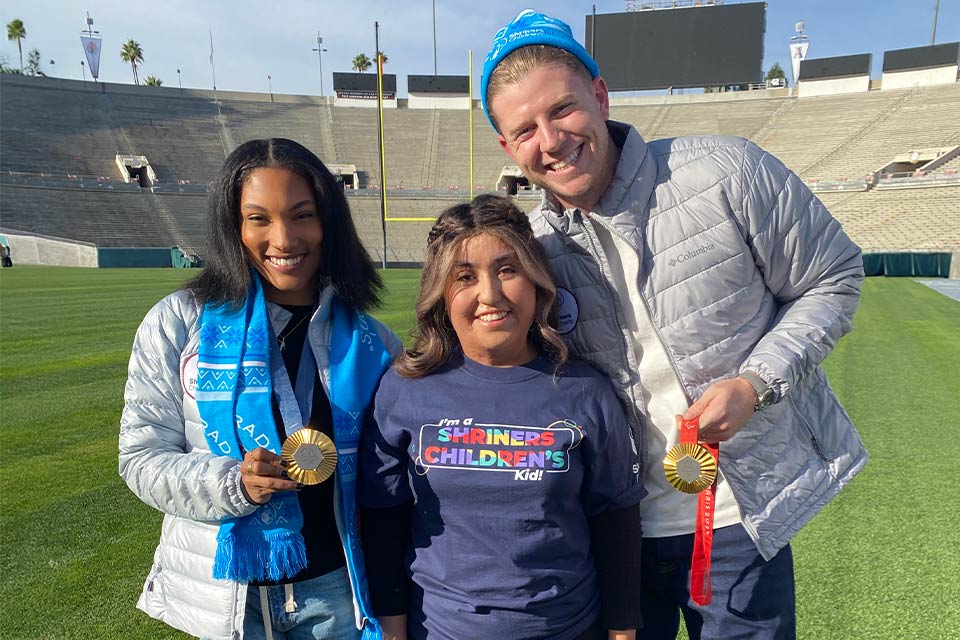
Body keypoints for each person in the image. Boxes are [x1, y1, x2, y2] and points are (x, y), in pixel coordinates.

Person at [480, 10, 867, 640]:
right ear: (508, 147)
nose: (550, 141)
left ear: (600, 97)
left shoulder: (724, 171)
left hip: (739, 519)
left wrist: (755, 383)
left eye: (563, 110)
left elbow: (835, 276)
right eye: (524, 130)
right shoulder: (535, 250)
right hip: (613, 534)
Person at [119, 138, 402, 640]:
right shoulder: (178, 324)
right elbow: (140, 459)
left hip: (336, 595)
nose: (284, 238)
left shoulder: (371, 342)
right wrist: (233, 484)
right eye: (259, 219)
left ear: (328, 221)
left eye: (302, 215)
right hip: (227, 597)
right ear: (233, 225)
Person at [357, 194, 647, 640]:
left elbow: (615, 517)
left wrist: (623, 632)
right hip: (442, 630)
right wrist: (393, 631)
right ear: (441, 291)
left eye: (507, 270)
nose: (489, 295)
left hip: (568, 628)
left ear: (535, 280)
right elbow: (384, 519)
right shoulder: (405, 388)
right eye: (465, 277)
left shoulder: (584, 389)